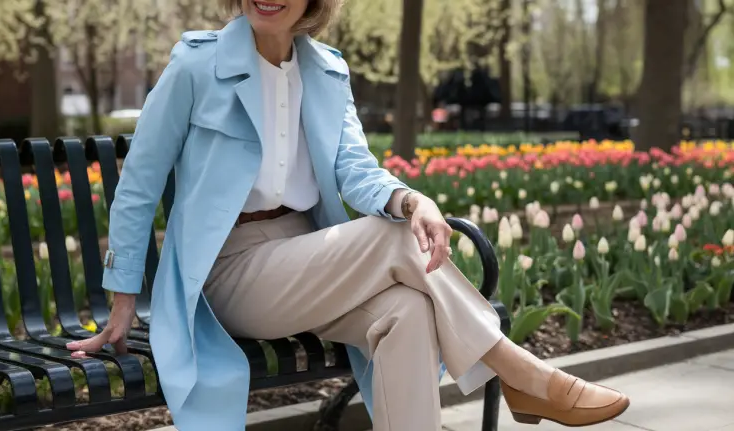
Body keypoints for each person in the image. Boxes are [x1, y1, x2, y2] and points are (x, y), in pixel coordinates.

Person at [66, 1, 630, 429]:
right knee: (388, 241)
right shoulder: (196, 65)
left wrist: (414, 201)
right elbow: (139, 183)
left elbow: (355, 169)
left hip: (311, 258)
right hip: (227, 269)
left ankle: (518, 379)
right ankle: (520, 372)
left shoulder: (327, 71)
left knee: (406, 311)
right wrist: (121, 299)